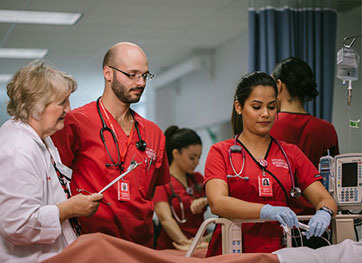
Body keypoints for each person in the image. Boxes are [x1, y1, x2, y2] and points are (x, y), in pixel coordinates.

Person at [203, 71, 337, 256]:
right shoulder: (221, 152)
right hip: (232, 251)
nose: (265, 114)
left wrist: (324, 213)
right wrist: (266, 211)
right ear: (239, 107)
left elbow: (325, 199)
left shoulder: (290, 153)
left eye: (272, 107)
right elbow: (217, 202)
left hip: (278, 252)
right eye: (257, 107)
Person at [52, 42, 170, 248]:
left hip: (140, 245)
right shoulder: (75, 123)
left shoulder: (154, 134)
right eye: (132, 74)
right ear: (108, 73)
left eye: (145, 75)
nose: (141, 82)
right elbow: (55, 183)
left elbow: (152, 193)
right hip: (91, 245)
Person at [0, 60, 103, 262]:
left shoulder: (42, 139)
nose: (68, 109)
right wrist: (70, 208)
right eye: (62, 102)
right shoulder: (17, 149)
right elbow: (18, 225)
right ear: (36, 106)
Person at [270, 57, 339, 218]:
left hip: (278, 221)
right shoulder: (326, 130)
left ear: (279, 86)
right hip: (318, 218)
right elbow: (335, 180)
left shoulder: (267, 127)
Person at [153, 126, 208, 250]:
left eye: (199, 157)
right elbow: (165, 219)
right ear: (176, 153)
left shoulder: (198, 179)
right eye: (192, 158)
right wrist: (185, 243)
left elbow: (217, 199)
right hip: (174, 247)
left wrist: (206, 200)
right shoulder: (162, 182)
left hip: (200, 245)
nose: (197, 162)